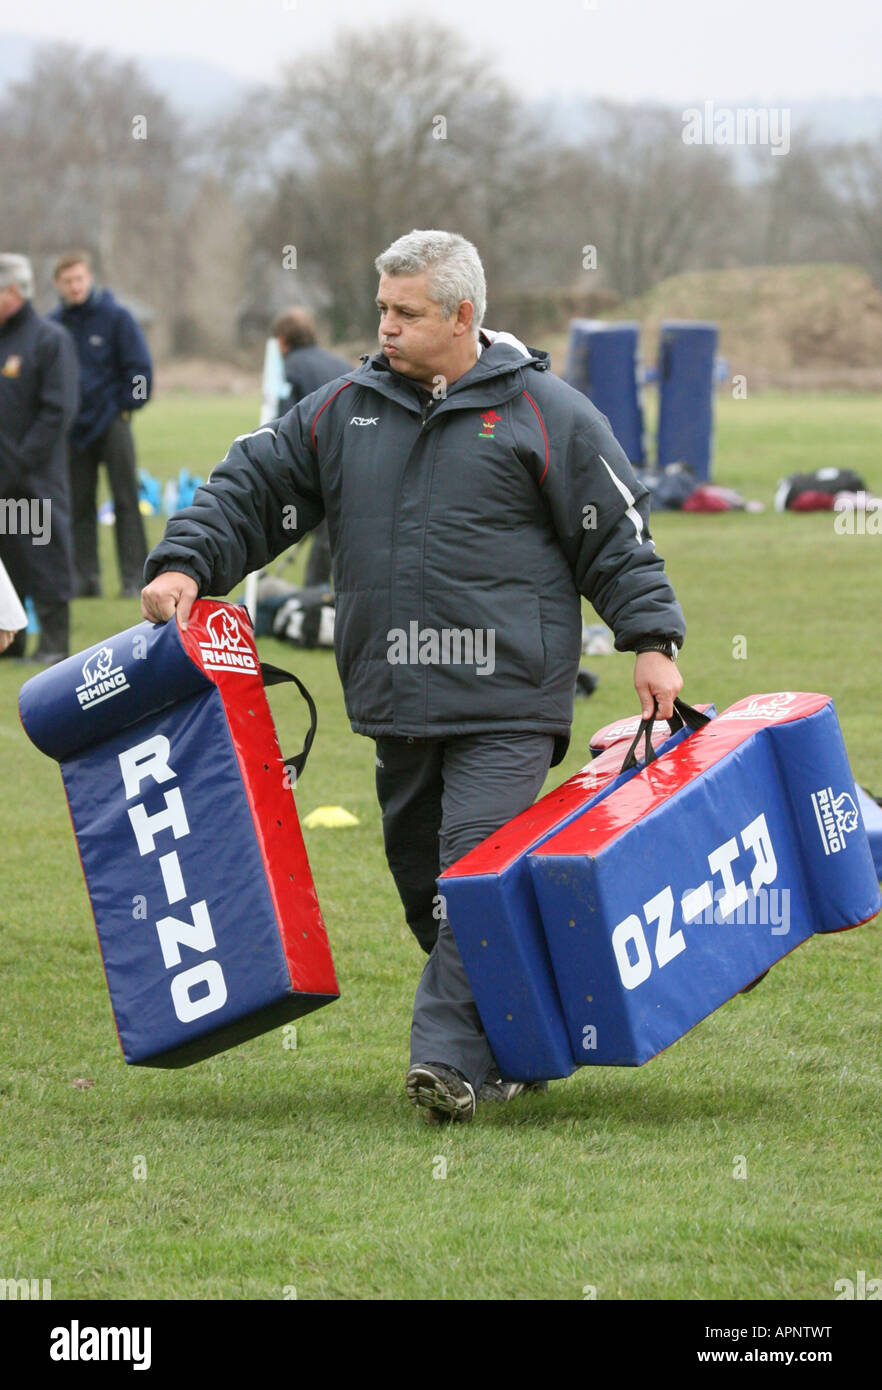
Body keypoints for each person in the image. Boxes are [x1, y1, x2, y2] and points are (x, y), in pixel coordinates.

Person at [141, 230, 685, 1124]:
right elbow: (250, 487)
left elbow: (616, 537)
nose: (385, 328)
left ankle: (444, 1064)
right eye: (382, 309)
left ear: (463, 315)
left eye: (406, 313)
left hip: (510, 698)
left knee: (472, 870)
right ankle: (524, 1042)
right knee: (427, 893)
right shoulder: (340, 413)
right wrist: (186, 566)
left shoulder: (547, 412)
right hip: (396, 701)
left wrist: (652, 639)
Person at [50, 250, 153, 598]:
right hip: (72, 431)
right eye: (68, 282)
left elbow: (140, 370)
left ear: (89, 278)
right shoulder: (54, 325)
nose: (75, 287)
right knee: (79, 505)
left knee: (126, 501)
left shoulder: (117, 317)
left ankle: (133, 578)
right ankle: (85, 577)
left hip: (112, 424)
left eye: (79, 279)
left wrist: (126, 405)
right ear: (58, 285)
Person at [0, 253, 79, 664]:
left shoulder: (49, 339)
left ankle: (53, 644)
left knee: (43, 554)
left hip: (34, 478)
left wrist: (19, 462)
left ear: (13, 291)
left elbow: (58, 411)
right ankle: (12, 641)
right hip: (2, 482)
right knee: (8, 560)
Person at [270, 307, 352, 589]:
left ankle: (312, 603)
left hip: (319, 461)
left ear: (282, 341)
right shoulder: (340, 363)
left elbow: (283, 423)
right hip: (354, 455)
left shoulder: (287, 367)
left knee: (324, 534)